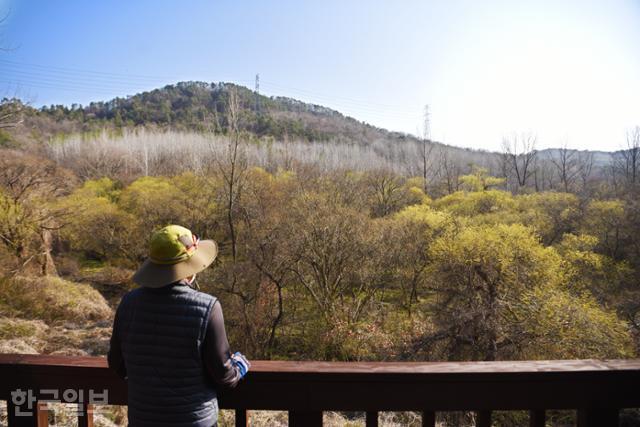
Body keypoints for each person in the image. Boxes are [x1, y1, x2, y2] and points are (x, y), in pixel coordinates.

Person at [108, 225, 250, 427]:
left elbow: (117, 364)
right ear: (190, 269)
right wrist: (239, 366)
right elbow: (223, 374)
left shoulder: (129, 303)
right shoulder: (208, 307)